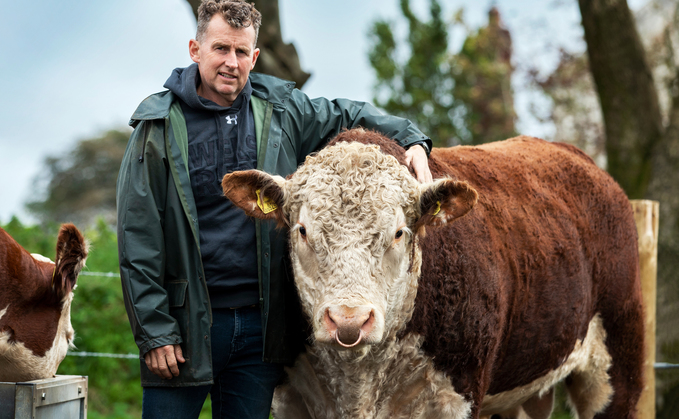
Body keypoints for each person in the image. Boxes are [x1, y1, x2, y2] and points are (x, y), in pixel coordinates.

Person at [116, 0, 433, 418]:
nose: (232, 62)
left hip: (260, 331)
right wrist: (155, 333)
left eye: (242, 52)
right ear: (195, 50)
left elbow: (352, 115)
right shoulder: (156, 128)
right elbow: (138, 238)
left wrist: (412, 140)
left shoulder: (282, 110)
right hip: (186, 326)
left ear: (255, 56)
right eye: (221, 49)